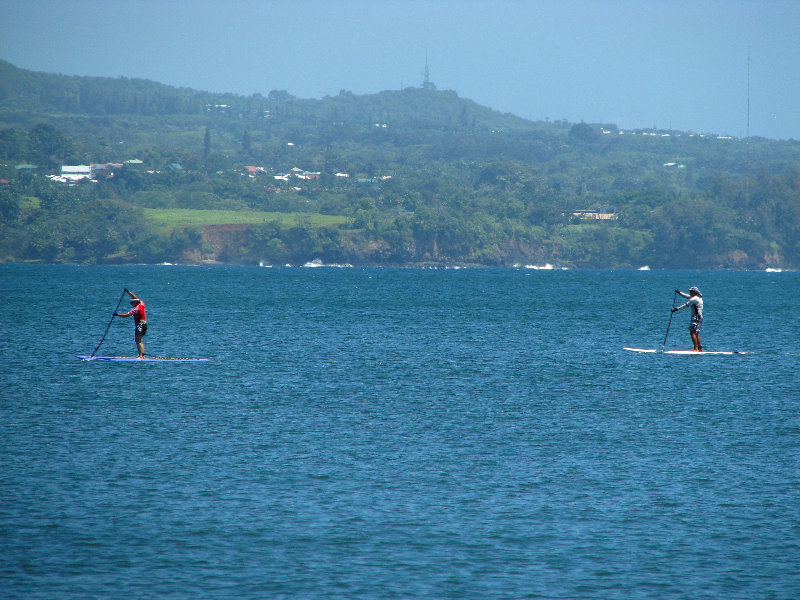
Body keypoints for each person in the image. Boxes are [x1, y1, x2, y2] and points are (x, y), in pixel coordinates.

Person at [116, 289, 147, 358]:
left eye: (132, 303)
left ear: (135, 303)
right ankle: (141, 355)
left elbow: (127, 315)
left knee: (138, 340)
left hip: (140, 325)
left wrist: (117, 315)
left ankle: (141, 356)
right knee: (138, 340)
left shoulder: (136, 309)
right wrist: (128, 292)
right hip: (143, 324)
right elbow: (135, 297)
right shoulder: (142, 303)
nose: (131, 304)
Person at [672, 286, 703, 351]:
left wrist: (676, 309)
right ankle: (699, 349)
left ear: (694, 292)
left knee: (692, 332)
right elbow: (687, 296)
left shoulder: (694, 299)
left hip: (696, 317)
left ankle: (695, 348)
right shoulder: (698, 298)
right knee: (696, 333)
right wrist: (679, 293)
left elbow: (686, 305)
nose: (690, 292)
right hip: (700, 317)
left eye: (691, 291)